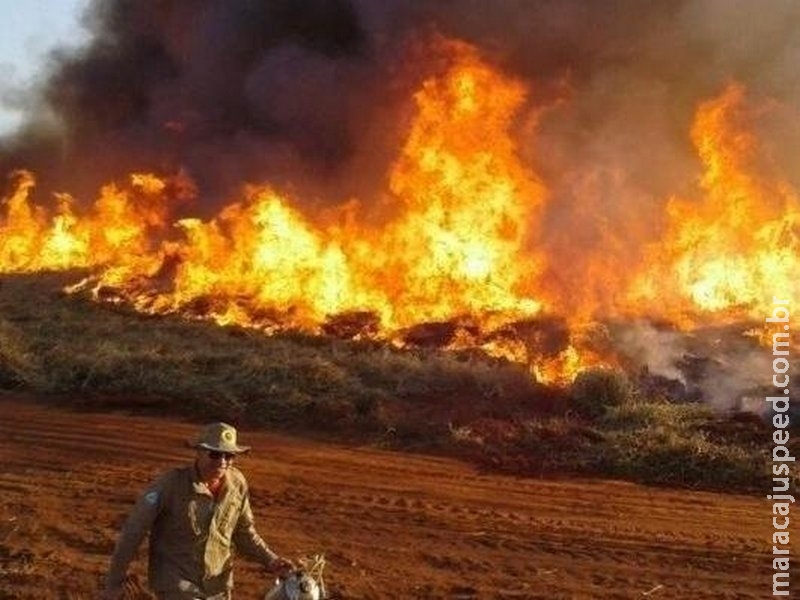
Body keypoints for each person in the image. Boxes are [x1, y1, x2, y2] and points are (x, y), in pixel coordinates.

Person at [101, 422, 294, 600]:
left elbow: (244, 532)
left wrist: (271, 560)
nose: (223, 461)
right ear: (199, 452)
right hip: (177, 585)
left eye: (229, 456)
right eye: (215, 454)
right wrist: (114, 582)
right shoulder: (170, 485)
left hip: (218, 586)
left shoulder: (237, 484)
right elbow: (133, 532)